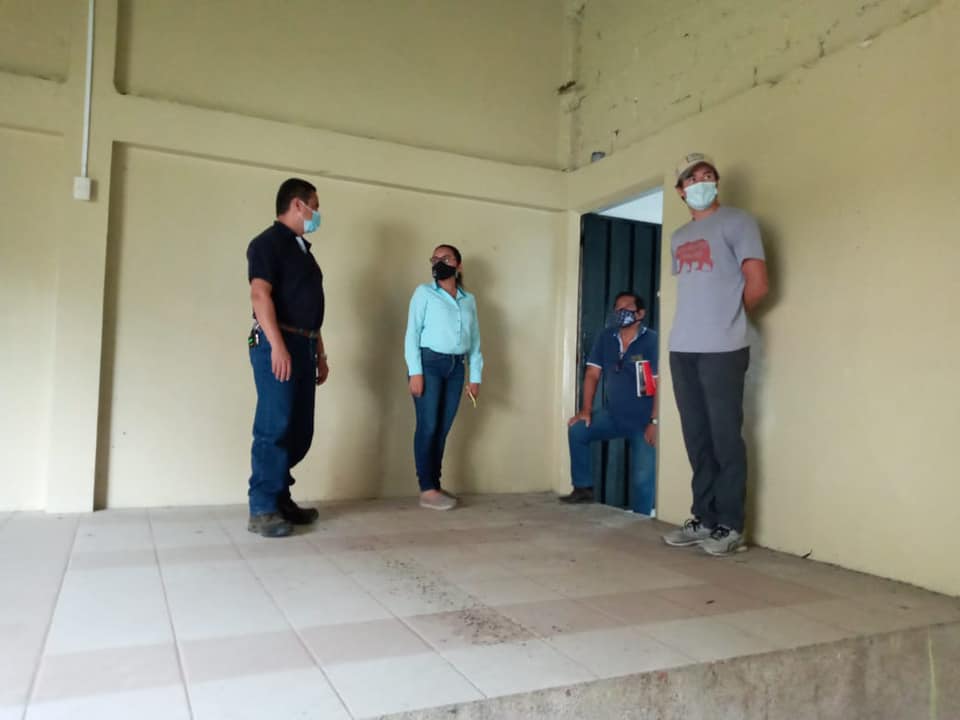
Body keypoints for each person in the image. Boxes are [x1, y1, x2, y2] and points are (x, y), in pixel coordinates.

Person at [661, 153, 769, 556]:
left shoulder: (739, 222)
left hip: (723, 348)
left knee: (725, 437)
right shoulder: (678, 237)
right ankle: (704, 518)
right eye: (692, 178)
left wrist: (729, 321)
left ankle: (730, 525)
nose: (701, 182)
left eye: (708, 175)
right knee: (697, 437)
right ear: (681, 190)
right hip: (682, 347)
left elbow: (758, 284)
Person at [245, 178, 330, 538]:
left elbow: (308, 306)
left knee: (299, 429)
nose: (317, 213)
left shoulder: (303, 252)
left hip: (305, 343)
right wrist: (277, 345)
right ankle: (263, 507)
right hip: (277, 341)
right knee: (275, 425)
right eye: (315, 205)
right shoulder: (266, 244)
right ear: (298, 205)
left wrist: (320, 352)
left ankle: (280, 497)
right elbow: (259, 295)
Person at [560, 292, 658, 515]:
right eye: (617, 308)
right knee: (578, 430)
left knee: (643, 479)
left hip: (643, 421)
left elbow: (658, 383)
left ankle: (642, 519)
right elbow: (592, 374)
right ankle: (583, 489)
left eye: (626, 308)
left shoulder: (652, 341)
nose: (620, 313)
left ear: (640, 314)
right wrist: (586, 410)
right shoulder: (606, 337)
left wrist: (654, 421)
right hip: (613, 415)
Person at [404, 245, 483, 510]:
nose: (439, 263)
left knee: (442, 428)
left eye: (445, 258)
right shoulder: (424, 293)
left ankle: (434, 486)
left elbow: (475, 341)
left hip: (456, 368)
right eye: (435, 259)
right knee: (428, 426)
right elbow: (412, 334)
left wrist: (475, 377)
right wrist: (415, 372)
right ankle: (427, 489)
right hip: (429, 364)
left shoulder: (468, 300)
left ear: (458, 265)